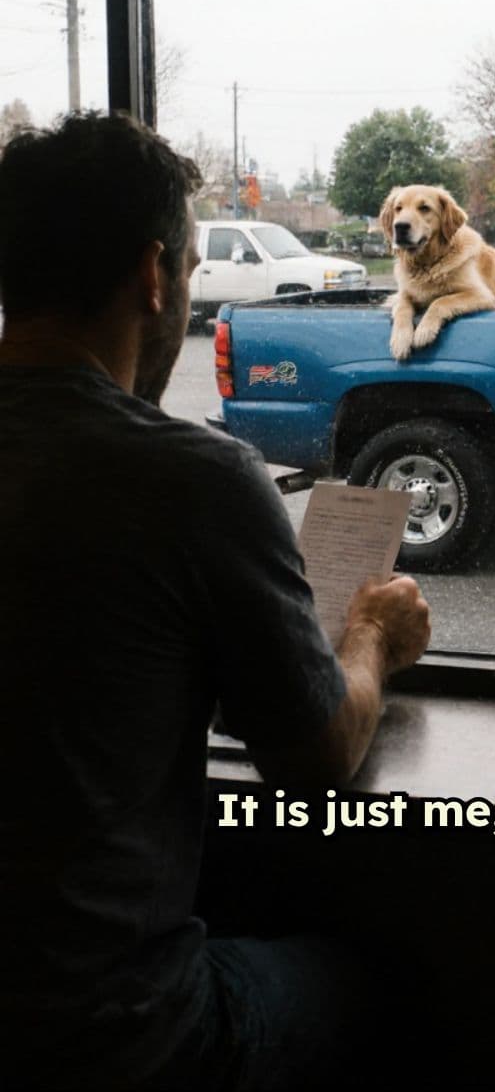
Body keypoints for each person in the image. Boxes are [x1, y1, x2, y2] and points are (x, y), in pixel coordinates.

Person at [0, 111, 431, 1091]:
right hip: (115, 1043)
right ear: (156, 275)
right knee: (383, 981)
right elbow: (315, 759)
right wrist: (370, 635)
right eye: (190, 270)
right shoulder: (189, 478)